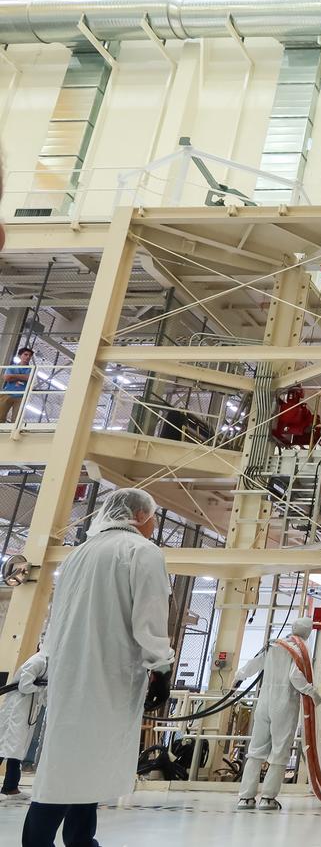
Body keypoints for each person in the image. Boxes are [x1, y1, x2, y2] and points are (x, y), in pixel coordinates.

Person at [23, 488, 174, 847]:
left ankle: (80, 838)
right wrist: (161, 667)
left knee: (75, 759)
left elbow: (58, 618)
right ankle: (42, 840)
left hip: (70, 674)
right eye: (153, 517)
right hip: (110, 674)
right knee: (76, 764)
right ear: (140, 515)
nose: (154, 524)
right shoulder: (142, 551)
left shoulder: (78, 554)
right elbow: (150, 616)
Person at [236, 616, 321, 811]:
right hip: (285, 703)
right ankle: (268, 798)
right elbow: (295, 676)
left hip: (264, 702)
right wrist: (312, 693)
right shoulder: (300, 649)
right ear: (308, 632)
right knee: (279, 751)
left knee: (255, 751)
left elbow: (253, 665)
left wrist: (238, 677)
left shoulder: (273, 645)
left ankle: (245, 797)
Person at [0, 651, 48, 799]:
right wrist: (40, 689)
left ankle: (10, 787)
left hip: (27, 710)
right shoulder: (37, 661)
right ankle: (10, 787)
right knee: (4, 747)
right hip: (16, 710)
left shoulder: (49, 663)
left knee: (17, 749)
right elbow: (25, 686)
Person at [0, 347, 34, 424]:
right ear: (19, 356)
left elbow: (29, 377)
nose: (28, 357)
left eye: (30, 356)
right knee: (0, 415)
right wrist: (23, 377)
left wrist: (13, 376)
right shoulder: (12, 367)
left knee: (16, 420)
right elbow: (7, 378)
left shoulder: (31, 369)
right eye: (25, 354)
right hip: (7, 393)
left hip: (21, 396)